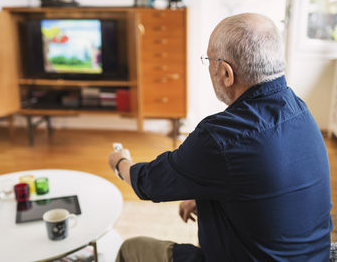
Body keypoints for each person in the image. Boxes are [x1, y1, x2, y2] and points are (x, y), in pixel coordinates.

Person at [108, 13, 333, 262]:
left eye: (209, 60)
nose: (209, 68)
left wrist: (121, 163)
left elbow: (149, 183)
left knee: (131, 249)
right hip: (315, 257)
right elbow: (265, 182)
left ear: (226, 73)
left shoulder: (220, 138)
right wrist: (199, 193)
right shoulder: (300, 109)